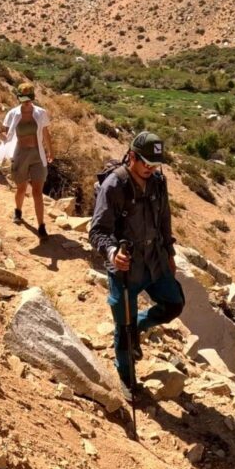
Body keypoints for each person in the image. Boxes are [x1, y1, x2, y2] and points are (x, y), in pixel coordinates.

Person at [89, 132, 185, 400]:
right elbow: (97, 231)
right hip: (127, 267)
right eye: (146, 163)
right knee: (123, 322)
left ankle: (137, 330)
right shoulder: (114, 186)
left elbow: (164, 218)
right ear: (132, 156)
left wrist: (169, 252)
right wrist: (111, 253)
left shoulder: (158, 182)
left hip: (155, 259)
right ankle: (127, 378)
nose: (151, 169)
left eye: (155, 164)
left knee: (174, 303)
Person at [0, 84, 53, 239]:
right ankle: (18, 211)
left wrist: (50, 152)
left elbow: (46, 134)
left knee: (37, 191)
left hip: (37, 155)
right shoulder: (12, 114)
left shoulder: (40, 113)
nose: (26, 103)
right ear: (18, 98)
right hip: (20, 153)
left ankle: (41, 226)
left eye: (29, 99)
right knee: (21, 188)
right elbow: (7, 136)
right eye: (23, 99)